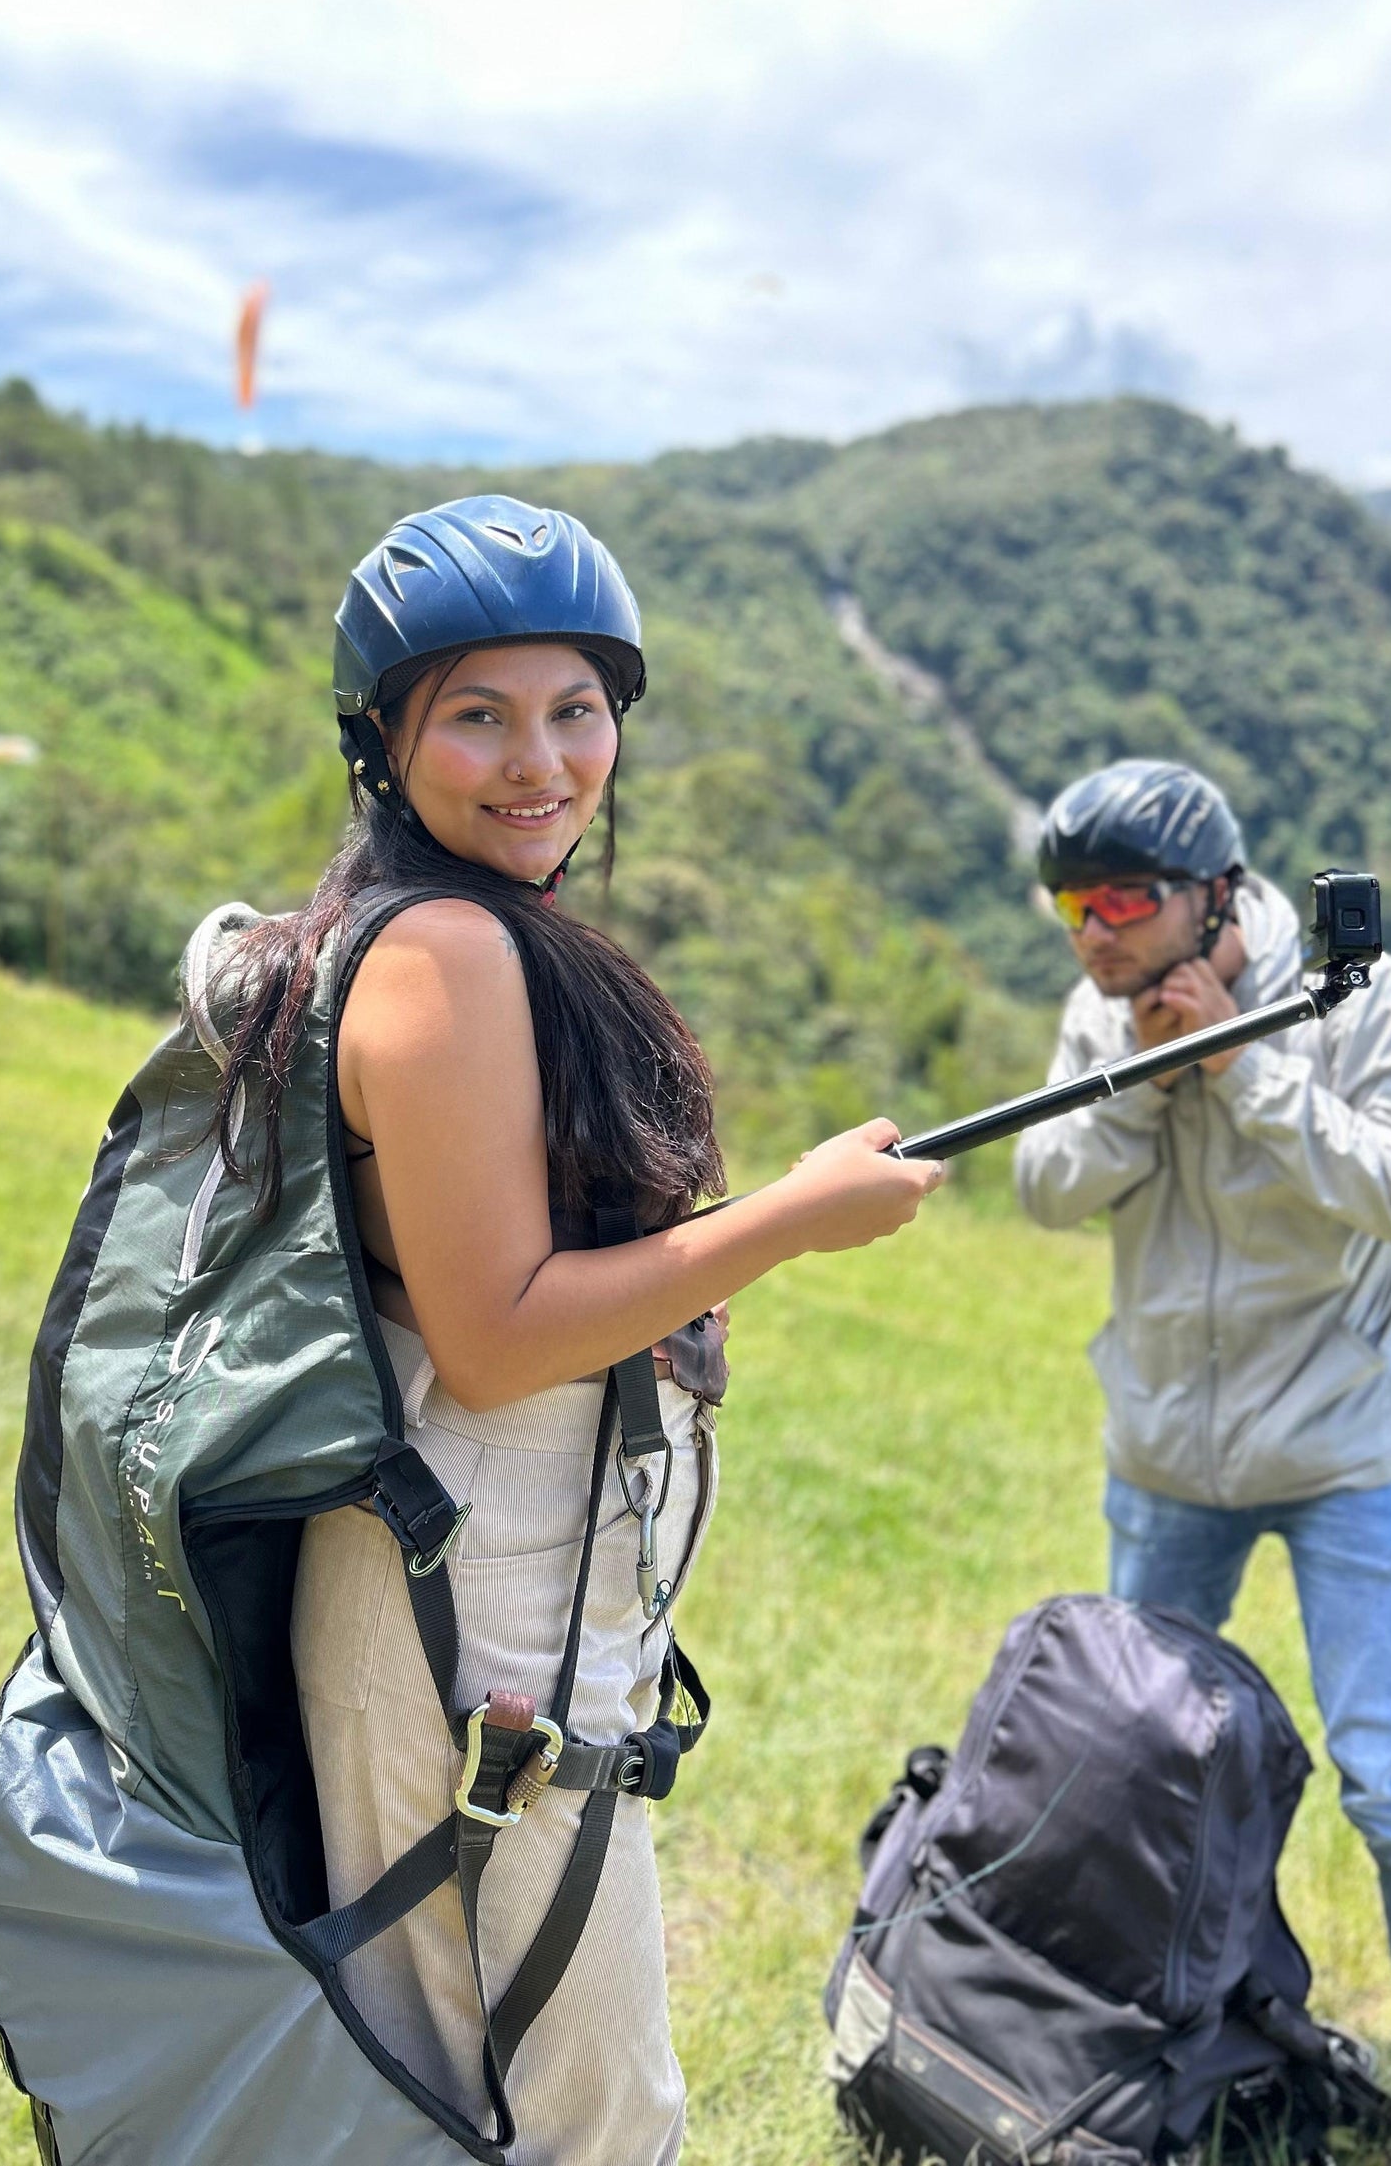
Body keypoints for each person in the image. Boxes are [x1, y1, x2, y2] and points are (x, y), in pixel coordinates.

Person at [270, 492, 941, 2161]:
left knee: (467, 2080)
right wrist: (789, 1213)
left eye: (577, 709)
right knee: (586, 2107)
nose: (542, 760)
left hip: (473, 1576)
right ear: (383, 739)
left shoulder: (456, 932)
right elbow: (495, 1337)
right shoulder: (443, 952)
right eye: (478, 715)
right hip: (467, 1602)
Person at [1015, 756, 1391, 2014]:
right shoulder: (1107, 1008)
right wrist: (1148, 1081)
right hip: (1167, 1461)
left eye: (1122, 902)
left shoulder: (1355, 1002)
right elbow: (1042, 1185)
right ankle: (1143, 2034)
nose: (1094, 935)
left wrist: (1244, 1070)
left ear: (1213, 894)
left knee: (1390, 1778)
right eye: (1072, 907)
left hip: (1350, 1446)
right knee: (1131, 1761)